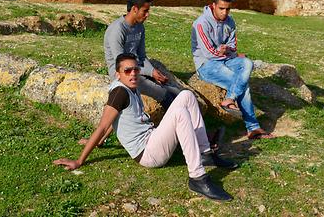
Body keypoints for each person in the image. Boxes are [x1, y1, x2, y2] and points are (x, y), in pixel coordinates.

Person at [54, 53, 234, 202]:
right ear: (118, 74)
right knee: (180, 112)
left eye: (136, 69)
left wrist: (101, 142)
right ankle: (197, 178)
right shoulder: (119, 92)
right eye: (127, 70)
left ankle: (205, 154)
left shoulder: (133, 87)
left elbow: (115, 122)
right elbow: (103, 125)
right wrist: (79, 161)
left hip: (153, 140)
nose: (133, 74)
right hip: (148, 154)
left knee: (186, 95)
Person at [191, 0, 272, 140]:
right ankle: (253, 128)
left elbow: (233, 46)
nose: (225, 12)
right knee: (242, 84)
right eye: (221, 8)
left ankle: (229, 99)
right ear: (213, 5)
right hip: (207, 64)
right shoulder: (201, 23)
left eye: (228, 9)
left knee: (247, 63)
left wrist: (227, 49)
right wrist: (220, 51)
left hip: (226, 59)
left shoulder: (230, 21)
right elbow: (208, 53)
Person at [103, 0, 182, 109]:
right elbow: (122, 65)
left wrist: (152, 72)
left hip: (138, 69)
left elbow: (142, 56)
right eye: (145, 11)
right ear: (134, 9)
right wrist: (149, 72)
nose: (147, 15)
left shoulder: (140, 27)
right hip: (125, 74)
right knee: (164, 94)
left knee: (178, 93)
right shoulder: (117, 30)